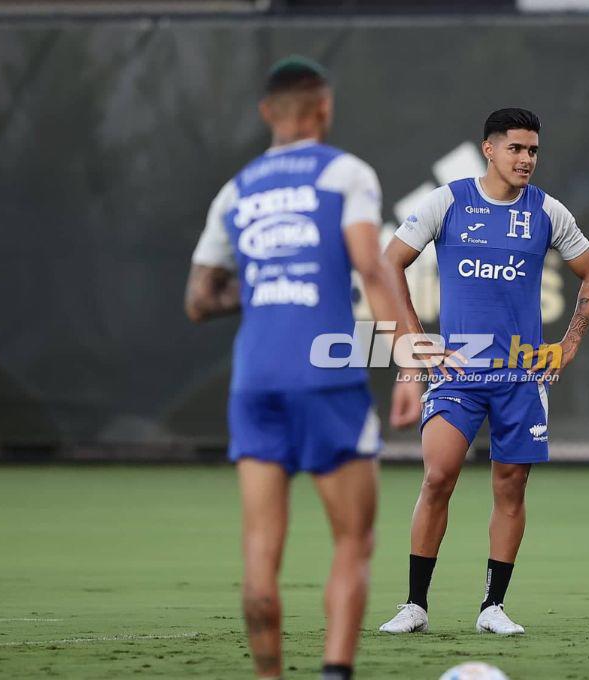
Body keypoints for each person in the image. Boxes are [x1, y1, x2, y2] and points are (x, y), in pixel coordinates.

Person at [184, 57, 418, 680]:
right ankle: (334, 672)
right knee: (353, 539)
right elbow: (370, 267)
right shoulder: (344, 173)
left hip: (254, 380)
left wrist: (261, 285)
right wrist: (410, 366)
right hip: (325, 374)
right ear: (325, 109)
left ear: (267, 112)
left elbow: (199, 300)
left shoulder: (236, 189)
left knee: (260, 554)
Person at [377, 108, 589, 635]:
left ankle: (492, 607)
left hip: (522, 378)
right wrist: (414, 340)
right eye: (516, 149)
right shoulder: (448, 201)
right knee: (438, 476)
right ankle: (415, 604)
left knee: (511, 487)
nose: (526, 160)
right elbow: (389, 263)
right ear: (489, 149)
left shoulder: (548, 211)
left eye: (533, 151)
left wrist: (569, 343)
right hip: (458, 374)